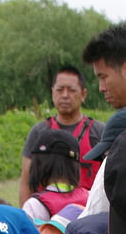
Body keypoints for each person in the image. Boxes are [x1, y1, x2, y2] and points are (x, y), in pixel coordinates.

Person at [19, 66, 104, 195]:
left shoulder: (98, 132)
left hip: (86, 212)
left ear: (83, 94)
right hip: (45, 212)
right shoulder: (39, 132)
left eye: (71, 90)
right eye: (60, 90)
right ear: (52, 92)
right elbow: (26, 181)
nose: (65, 95)